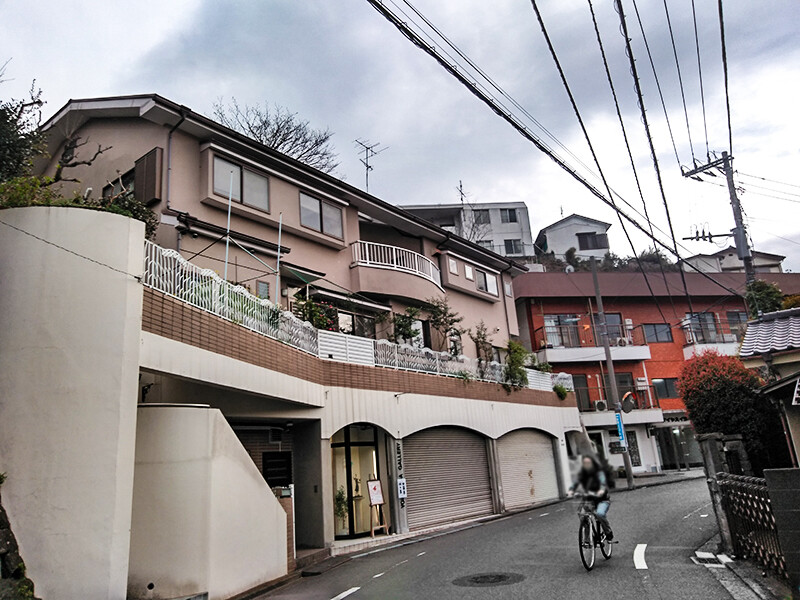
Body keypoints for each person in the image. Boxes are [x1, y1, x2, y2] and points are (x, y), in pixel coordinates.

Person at [568, 455, 614, 541]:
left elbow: (603, 482)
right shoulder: (582, 474)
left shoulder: (599, 473)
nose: (587, 465)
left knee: (600, 514)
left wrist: (601, 490)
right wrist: (571, 490)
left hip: (602, 500)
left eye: (588, 463)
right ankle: (587, 539)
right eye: (585, 463)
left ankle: (608, 531)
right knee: (582, 516)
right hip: (588, 500)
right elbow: (576, 483)